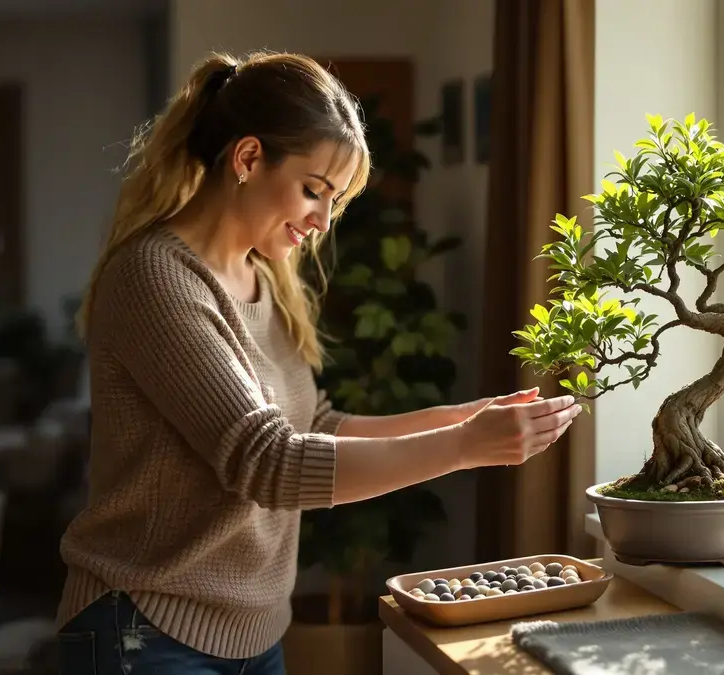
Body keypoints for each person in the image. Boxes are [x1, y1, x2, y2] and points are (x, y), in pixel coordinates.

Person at [54, 50, 581, 675]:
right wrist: (464, 447)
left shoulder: (262, 278)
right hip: (143, 629)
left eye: (334, 200)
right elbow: (268, 462)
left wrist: (461, 418)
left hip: (254, 633)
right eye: (313, 190)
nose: (322, 221)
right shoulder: (156, 277)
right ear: (248, 159)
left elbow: (317, 426)